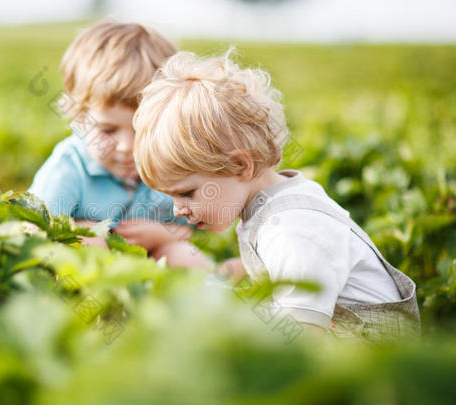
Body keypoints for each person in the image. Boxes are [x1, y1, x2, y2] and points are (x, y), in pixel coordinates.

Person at [132, 50, 420, 341]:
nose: (178, 209)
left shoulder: (292, 229)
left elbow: (303, 339)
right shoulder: (274, 204)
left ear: (240, 165)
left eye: (187, 193)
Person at [28, 20, 210, 269]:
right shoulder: (68, 168)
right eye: (107, 130)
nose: (127, 146)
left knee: (182, 253)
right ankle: (97, 304)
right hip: (81, 274)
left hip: (144, 268)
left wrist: (161, 233)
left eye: (143, 130)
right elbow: (30, 230)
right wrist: (75, 230)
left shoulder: (170, 169)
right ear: (80, 120)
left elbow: (194, 231)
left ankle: (199, 301)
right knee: (88, 240)